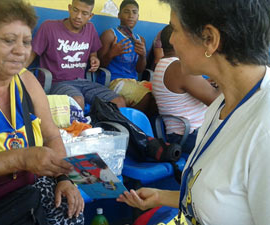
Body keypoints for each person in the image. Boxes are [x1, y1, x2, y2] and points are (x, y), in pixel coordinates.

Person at [118, 0, 270, 224]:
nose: (170, 39)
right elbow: (222, 197)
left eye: (176, 29)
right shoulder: (220, 105)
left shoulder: (264, 131)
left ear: (210, 39)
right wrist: (161, 196)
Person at [0, 1, 84, 224]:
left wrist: (64, 178)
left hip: (27, 190)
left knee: (71, 211)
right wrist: (22, 158)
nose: (21, 51)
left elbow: (51, 135)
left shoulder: (27, 81)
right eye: (8, 40)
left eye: (26, 42)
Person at [26, 0, 125, 110]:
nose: (78, 16)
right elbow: (31, 54)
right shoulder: (49, 28)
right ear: (69, 8)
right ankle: (80, 126)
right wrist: (16, 73)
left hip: (83, 82)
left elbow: (93, 52)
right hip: (57, 83)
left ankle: (98, 126)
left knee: (119, 102)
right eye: (75, 10)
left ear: (90, 16)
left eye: (84, 13)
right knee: (76, 102)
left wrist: (94, 58)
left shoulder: (90, 29)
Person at [152, 25, 219, 154]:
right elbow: (216, 101)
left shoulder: (164, 64)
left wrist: (205, 83)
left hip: (181, 134)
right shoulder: (178, 68)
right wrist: (225, 77)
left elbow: (179, 92)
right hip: (190, 136)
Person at [98, 0, 157, 116]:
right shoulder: (110, 35)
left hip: (134, 81)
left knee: (159, 95)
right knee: (147, 96)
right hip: (114, 81)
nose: (131, 16)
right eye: (126, 12)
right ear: (119, 15)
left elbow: (140, 70)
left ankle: (134, 121)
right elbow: (100, 66)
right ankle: (128, 124)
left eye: (134, 12)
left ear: (138, 17)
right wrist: (112, 53)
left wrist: (142, 56)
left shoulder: (140, 40)